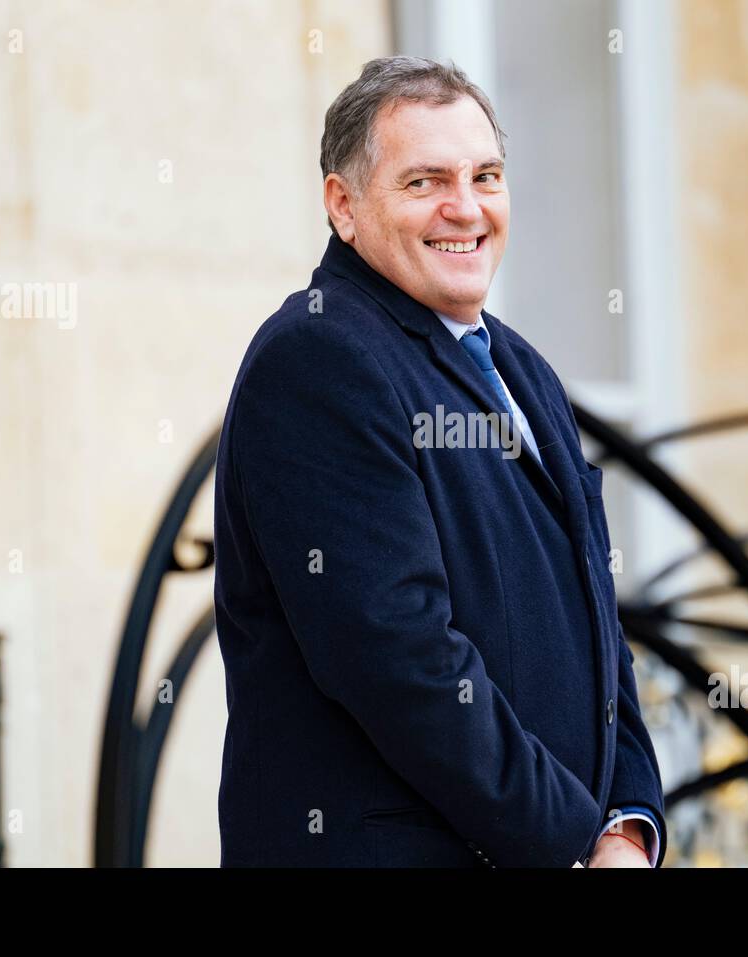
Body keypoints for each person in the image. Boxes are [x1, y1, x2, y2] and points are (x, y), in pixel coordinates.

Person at [213, 55, 666, 867]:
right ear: (343, 206)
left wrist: (627, 823)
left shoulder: (521, 368)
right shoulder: (319, 357)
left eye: (485, 175)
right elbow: (402, 659)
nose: (466, 208)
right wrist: (572, 842)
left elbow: (601, 623)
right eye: (424, 183)